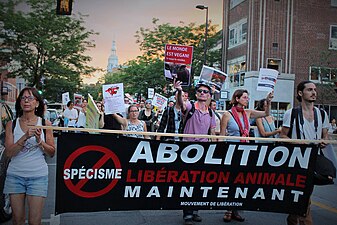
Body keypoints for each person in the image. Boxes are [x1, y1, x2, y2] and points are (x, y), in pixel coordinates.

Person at [279, 81, 329, 225]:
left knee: (305, 194)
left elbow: (325, 135)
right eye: (309, 90)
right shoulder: (292, 113)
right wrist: (298, 142)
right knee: (302, 195)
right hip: (296, 159)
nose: (314, 92)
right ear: (300, 93)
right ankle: (303, 220)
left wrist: (324, 141)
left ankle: (294, 218)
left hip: (313, 158)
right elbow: (283, 136)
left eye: (315, 90)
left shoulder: (322, 114)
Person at [220, 89, 273, 223]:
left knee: (242, 181)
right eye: (244, 97)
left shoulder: (248, 113)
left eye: (247, 97)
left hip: (245, 150)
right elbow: (222, 135)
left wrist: (268, 100)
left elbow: (266, 113)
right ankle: (228, 209)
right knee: (230, 181)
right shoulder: (227, 115)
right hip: (232, 150)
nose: (247, 99)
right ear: (237, 99)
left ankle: (237, 210)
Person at [4, 87, 55, 225]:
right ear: (20, 102)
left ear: (37, 103)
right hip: (15, 176)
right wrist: (25, 137)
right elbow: (9, 153)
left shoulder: (45, 124)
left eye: (30, 98)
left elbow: (51, 153)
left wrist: (40, 141)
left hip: (38, 176)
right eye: (23, 98)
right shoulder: (11, 124)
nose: (26, 101)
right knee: (18, 220)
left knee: (34, 221)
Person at [175, 80, 216, 225]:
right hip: (188, 150)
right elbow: (181, 103)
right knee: (188, 182)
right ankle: (187, 213)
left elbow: (212, 132)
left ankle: (195, 210)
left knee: (200, 181)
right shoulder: (190, 106)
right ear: (196, 94)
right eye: (200, 91)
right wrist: (179, 91)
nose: (202, 94)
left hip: (203, 151)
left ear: (210, 95)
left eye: (205, 92)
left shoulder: (211, 112)